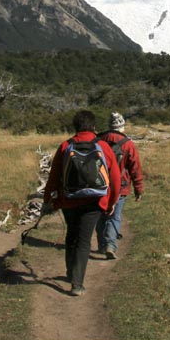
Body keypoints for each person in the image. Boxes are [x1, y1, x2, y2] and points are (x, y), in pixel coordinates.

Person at [43, 109, 120, 297]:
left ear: (75, 126)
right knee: (84, 240)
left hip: (69, 200)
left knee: (72, 235)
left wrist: (48, 200)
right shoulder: (103, 145)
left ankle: (71, 273)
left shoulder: (64, 146)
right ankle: (77, 284)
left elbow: (53, 177)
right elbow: (115, 178)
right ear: (94, 127)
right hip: (94, 201)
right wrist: (111, 202)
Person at [96, 112, 144, 259]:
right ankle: (111, 245)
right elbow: (135, 168)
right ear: (122, 126)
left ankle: (102, 245)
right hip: (121, 186)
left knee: (101, 216)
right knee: (115, 216)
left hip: (100, 185)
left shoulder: (98, 140)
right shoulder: (127, 143)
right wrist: (138, 188)